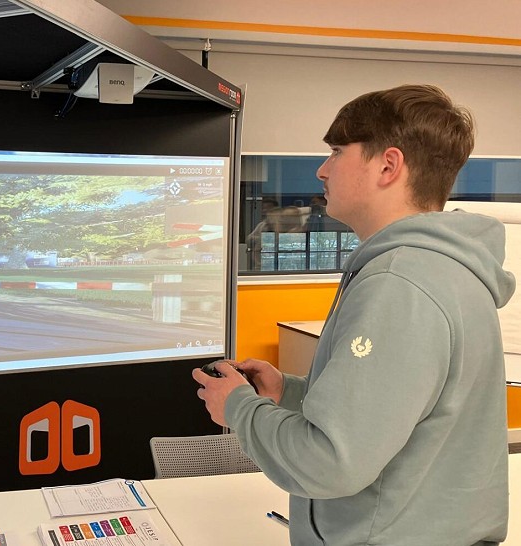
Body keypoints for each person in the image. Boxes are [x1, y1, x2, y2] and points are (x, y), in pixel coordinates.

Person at [194, 84, 516, 545]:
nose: (322, 170)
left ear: (388, 165)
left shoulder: (401, 283)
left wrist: (239, 408)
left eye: (337, 151)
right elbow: (395, 414)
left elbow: (329, 462)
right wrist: (288, 392)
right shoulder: (442, 269)